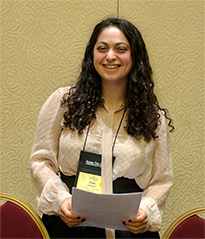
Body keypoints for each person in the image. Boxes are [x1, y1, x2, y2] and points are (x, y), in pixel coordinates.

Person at [30, 17, 174, 239]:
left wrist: (146, 210)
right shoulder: (63, 102)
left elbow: (161, 180)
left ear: (135, 57)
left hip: (129, 230)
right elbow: (41, 160)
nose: (110, 56)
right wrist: (61, 200)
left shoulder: (153, 117)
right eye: (102, 48)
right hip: (69, 225)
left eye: (121, 49)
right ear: (92, 55)